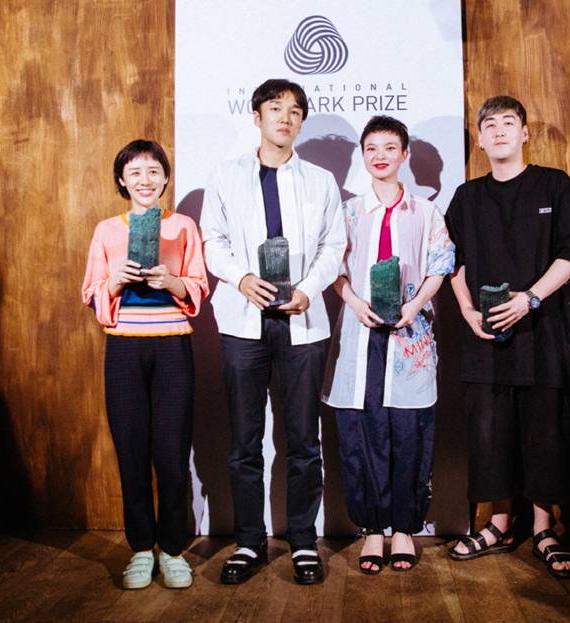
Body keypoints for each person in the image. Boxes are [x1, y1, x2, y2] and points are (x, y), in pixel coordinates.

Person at [444, 96, 570, 579]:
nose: (498, 131)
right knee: (489, 433)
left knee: (544, 432)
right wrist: (467, 310)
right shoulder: (467, 197)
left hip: (543, 335)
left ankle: (543, 529)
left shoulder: (555, 185)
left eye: (508, 123)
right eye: (489, 125)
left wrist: (531, 298)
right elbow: (450, 261)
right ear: (479, 139)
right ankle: (497, 524)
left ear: (525, 133)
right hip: (485, 338)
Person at [200, 79, 346, 585]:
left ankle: (303, 541)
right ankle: (248, 540)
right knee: (245, 440)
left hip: (302, 322)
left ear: (302, 122)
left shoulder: (321, 181)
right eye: (276, 108)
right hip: (243, 321)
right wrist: (241, 278)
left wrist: (308, 288)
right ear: (257, 116)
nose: (286, 117)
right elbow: (212, 240)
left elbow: (334, 245)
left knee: (304, 439)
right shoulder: (226, 176)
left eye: (295, 111)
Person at [322, 116, 455, 574]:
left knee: (409, 431)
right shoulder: (348, 212)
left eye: (390, 147)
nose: (380, 156)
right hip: (361, 335)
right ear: (363, 156)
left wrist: (415, 305)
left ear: (405, 155)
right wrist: (354, 302)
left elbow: (440, 264)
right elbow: (334, 268)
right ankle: (372, 530)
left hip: (409, 336)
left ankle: (404, 529)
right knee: (362, 431)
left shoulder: (426, 212)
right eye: (372, 148)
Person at [81, 140, 209, 590]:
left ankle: (172, 550)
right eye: (134, 172)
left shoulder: (183, 226)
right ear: (122, 180)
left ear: (166, 178)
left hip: (172, 345)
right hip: (123, 348)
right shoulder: (106, 230)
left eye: (153, 171)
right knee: (131, 450)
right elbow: (90, 290)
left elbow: (199, 284)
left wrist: (170, 280)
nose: (145, 180)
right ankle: (140, 548)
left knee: (172, 452)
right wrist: (115, 281)